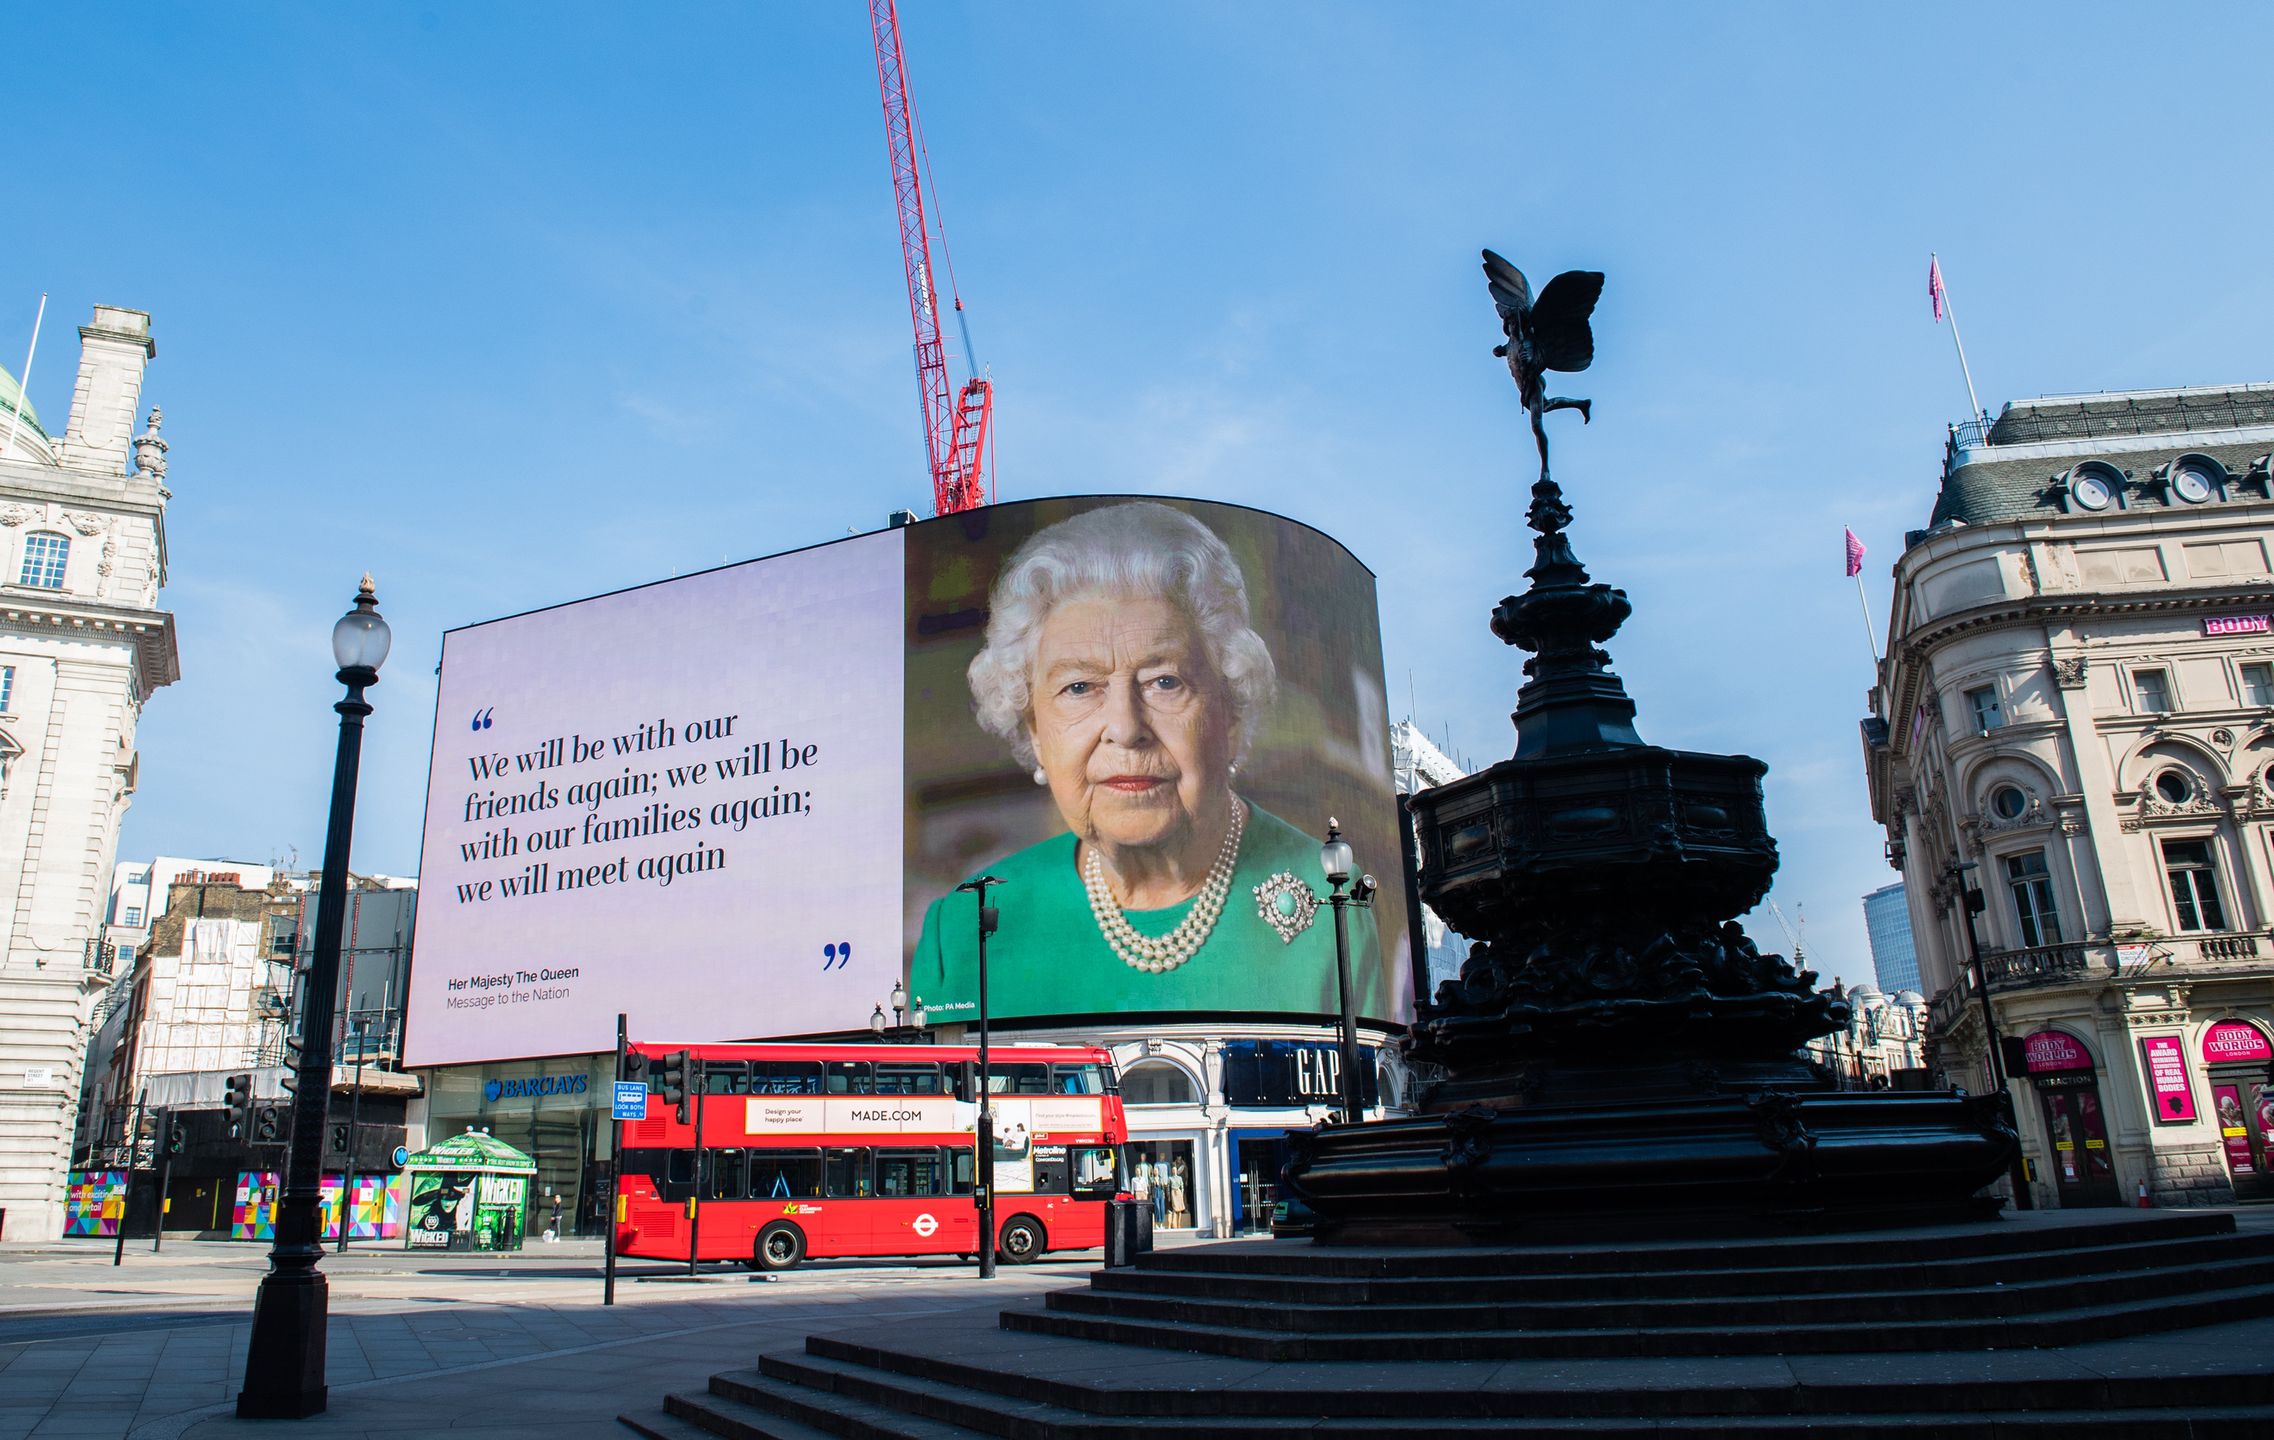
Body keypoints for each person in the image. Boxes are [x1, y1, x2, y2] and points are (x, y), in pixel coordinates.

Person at [914, 502, 1384, 1017]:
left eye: (1165, 681)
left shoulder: (1330, 897)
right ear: (1034, 730)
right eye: (1079, 687)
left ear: (1228, 712)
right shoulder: (962, 925)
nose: (1125, 728)